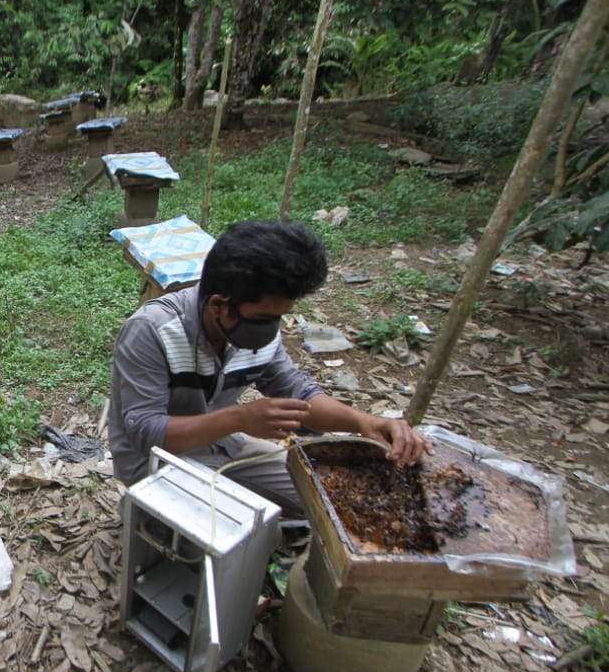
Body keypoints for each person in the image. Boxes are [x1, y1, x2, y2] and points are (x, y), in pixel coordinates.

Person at [108, 219, 432, 518]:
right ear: (219, 305)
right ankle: (142, 513)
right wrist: (240, 418)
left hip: (223, 444)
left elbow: (295, 390)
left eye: (279, 316)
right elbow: (145, 432)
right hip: (154, 462)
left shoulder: (253, 327)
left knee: (328, 503)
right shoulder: (152, 330)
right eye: (264, 318)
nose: (271, 329)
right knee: (249, 533)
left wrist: (363, 422)